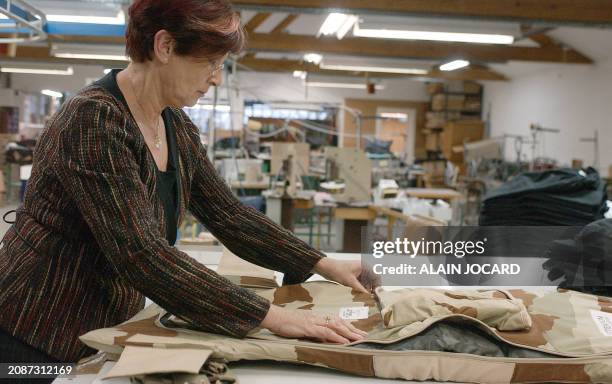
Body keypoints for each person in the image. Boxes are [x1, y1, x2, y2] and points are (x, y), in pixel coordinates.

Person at [0, 0, 377, 373]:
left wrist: (322, 263)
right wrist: (275, 318)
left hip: (104, 321)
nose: (215, 79)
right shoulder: (94, 121)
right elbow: (141, 255)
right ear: (164, 47)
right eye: (210, 64)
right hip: (37, 324)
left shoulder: (174, 125)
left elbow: (228, 214)